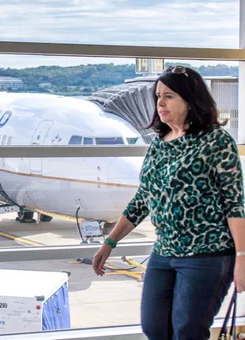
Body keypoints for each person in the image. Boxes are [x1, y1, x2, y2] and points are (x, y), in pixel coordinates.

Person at [92, 65, 245, 340]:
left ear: (190, 99)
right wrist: (109, 243)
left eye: (169, 95)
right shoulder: (158, 143)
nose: (160, 102)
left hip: (207, 254)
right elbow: (143, 199)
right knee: (155, 328)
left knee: (187, 331)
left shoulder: (216, 141)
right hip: (164, 252)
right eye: (158, 95)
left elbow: (235, 204)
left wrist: (242, 259)